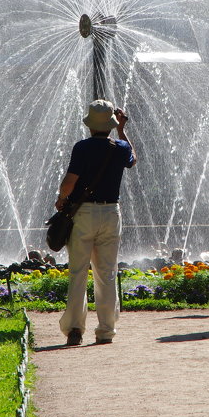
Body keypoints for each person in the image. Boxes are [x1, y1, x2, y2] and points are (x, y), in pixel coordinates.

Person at [54, 99, 135, 346]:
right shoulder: (120, 147)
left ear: (89, 124)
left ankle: (75, 329)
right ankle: (106, 330)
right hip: (111, 213)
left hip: (84, 214)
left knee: (78, 272)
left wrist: (61, 198)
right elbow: (133, 159)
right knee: (107, 273)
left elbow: (70, 181)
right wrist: (122, 130)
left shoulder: (82, 147)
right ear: (111, 124)